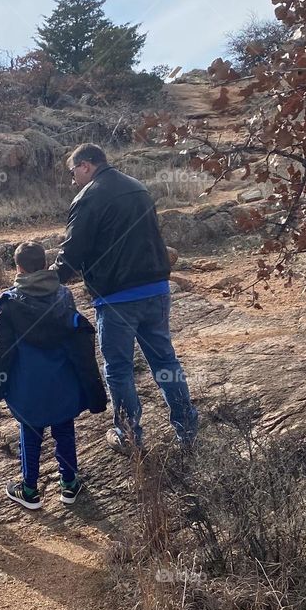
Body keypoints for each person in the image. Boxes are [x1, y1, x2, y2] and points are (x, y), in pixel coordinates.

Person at [53, 143, 198, 452]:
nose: (72, 180)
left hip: (117, 297)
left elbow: (72, 252)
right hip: (156, 288)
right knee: (165, 361)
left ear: (86, 166)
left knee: (119, 369)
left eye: (72, 172)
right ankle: (187, 429)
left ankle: (128, 434)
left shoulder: (88, 197)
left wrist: (46, 281)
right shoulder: (137, 188)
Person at [0, 240, 107, 509]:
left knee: (29, 434)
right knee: (64, 429)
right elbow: (79, 344)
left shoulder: (7, 304)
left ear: (17, 268)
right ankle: (69, 485)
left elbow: (0, 350)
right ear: (44, 264)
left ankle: (29, 490)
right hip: (63, 380)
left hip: (27, 384)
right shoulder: (64, 296)